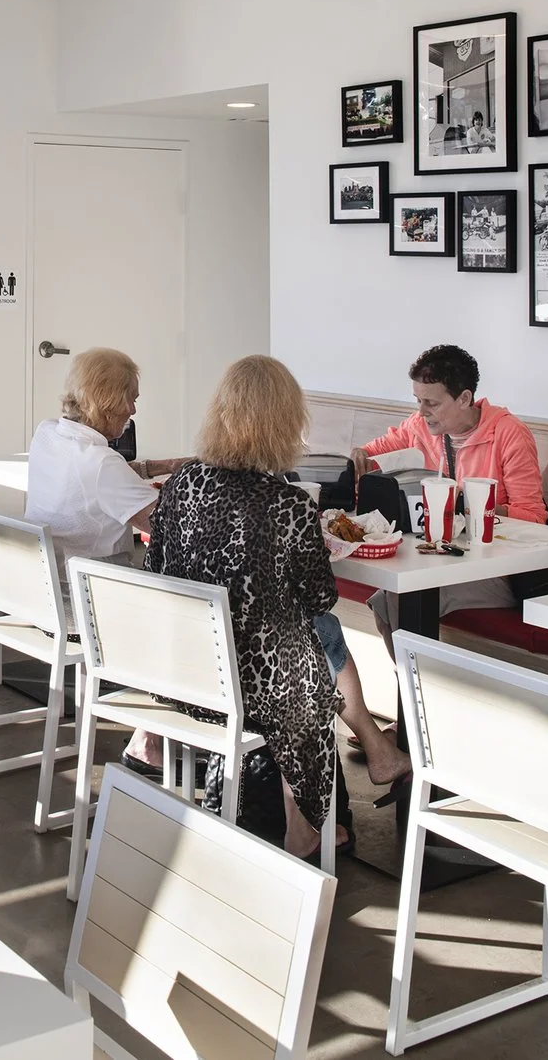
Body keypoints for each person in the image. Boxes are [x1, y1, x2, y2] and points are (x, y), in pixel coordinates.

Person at [148, 355, 405, 860]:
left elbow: (159, 564)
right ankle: (312, 819)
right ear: (286, 424)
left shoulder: (182, 484)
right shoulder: (287, 504)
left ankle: (365, 765)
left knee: (314, 634)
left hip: (186, 670)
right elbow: (318, 596)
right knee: (319, 634)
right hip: (255, 690)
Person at [351, 344, 548, 631]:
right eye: (417, 401)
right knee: (391, 600)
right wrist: (361, 457)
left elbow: (533, 517)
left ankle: (409, 676)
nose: (421, 412)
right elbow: (372, 455)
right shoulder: (417, 428)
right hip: (441, 560)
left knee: (401, 599)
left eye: (431, 403)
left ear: (464, 398)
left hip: (500, 571)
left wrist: (468, 506)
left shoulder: (509, 435)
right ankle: (407, 676)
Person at [25, 348, 162, 564]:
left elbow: (89, 480)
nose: (133, 410)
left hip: (44, 578)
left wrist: (168, 466)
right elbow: (170, 528)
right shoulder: (102, 463)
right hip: (91, 590)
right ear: (108, 403)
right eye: (131, 399)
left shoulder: (46, 432)